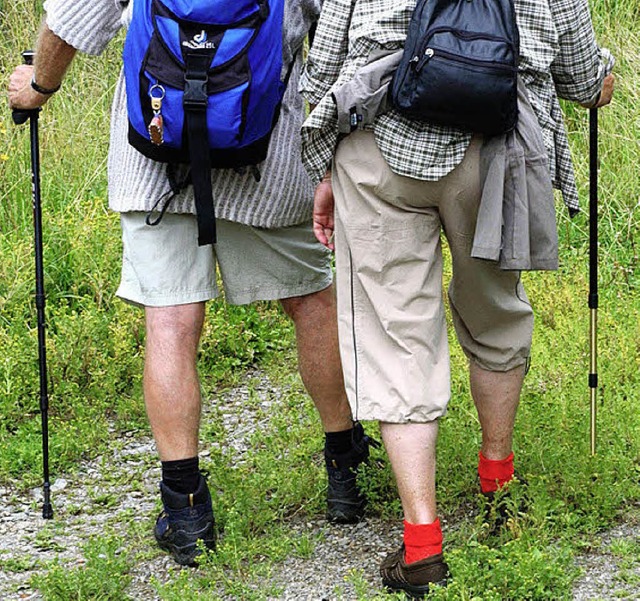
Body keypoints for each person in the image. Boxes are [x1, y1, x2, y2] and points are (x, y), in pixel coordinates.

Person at [8, 0, 377, 567]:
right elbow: (340, 33)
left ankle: (185, 509)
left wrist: (38, 85)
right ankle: (345, 466)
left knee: (172, 320)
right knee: (308, 299)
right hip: (268, 152)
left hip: (155, 153)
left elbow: (73, 17)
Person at [300, 0, 614, 596]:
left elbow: (325, 68)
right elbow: (583, 78)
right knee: (495, 309)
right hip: (495, 146)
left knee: (395, 333)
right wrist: (603, 77)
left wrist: (324, 170)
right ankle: (498, 488)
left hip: (382, 144)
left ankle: (421, 544)